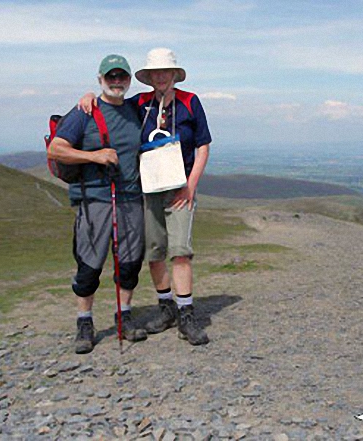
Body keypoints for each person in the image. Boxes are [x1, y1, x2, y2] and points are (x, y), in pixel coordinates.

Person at [79, 48, 212, 345]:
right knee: (154, 251)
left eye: (166, 72)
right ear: (149, 77)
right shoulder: (140, 103)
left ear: (175, 75)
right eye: (156, 73)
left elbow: (203, 145)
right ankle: (166, 309)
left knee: (179, 251)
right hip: (149, 188)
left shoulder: (190, 102)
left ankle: (186, 315)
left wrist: (191, 185)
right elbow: (109, 103)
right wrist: (89, 95)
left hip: (180, 188)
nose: (161, 77)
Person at [48, 54, 147, 354]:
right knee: (89, 264)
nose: (116, 82)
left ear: (129, 80)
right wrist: (95, 156)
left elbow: (164, 94)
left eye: (122, 77)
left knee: (130, 263)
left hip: (131, 197)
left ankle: (125, 316)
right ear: (100, 79)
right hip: (94, 201)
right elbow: (56, 149)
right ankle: (84, 321)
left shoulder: (136, 109)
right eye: (110, 77)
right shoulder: (84, 112)